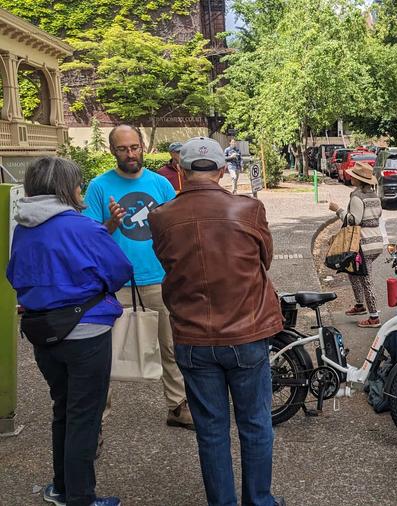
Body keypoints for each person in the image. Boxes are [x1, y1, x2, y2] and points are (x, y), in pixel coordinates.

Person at [148, 137, 285, 506]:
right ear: (223, 170)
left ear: (181, 169)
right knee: (255, 424)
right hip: (247, 330)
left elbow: (168, 263)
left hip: (193, 335)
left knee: (211, 430)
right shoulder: (248, 210)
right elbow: (264, 260)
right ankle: (259, 500)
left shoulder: (160, 217)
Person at [8, 157, 133, 506]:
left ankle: (62, 487)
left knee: (63, 409)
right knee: (84, 417)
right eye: (77, 183)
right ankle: (81, 497)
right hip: (86, 332)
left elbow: (14, 274)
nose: (80, 189)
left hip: (41, 329)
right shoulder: (82, 227)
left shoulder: (24, 227)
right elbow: (120, 269)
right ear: (64, 187)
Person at [83, 124, 193, 430]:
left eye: (134, 147)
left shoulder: (160, 184)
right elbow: (90, 239)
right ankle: (96, 420)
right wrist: (113, 222)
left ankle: (177, 406)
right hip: (115, 284)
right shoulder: (99, 187)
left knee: (170, 347)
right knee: (103, 352)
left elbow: (177, 231)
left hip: (158, 278)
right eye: (122, 149)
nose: (130, 154)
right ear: (112, 151)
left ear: (142, 145)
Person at [328, 162, 385, 328]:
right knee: (353, 271)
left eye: (353, 175)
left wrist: (337, 209)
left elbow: (354, 220)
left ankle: (374, 317)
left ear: (358, 180)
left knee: (366, 279)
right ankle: (360, 305)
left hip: (364, 244)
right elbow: (378, 215)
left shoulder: (357, 197)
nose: (351, 177)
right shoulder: (374, 195)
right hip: (376, 241)